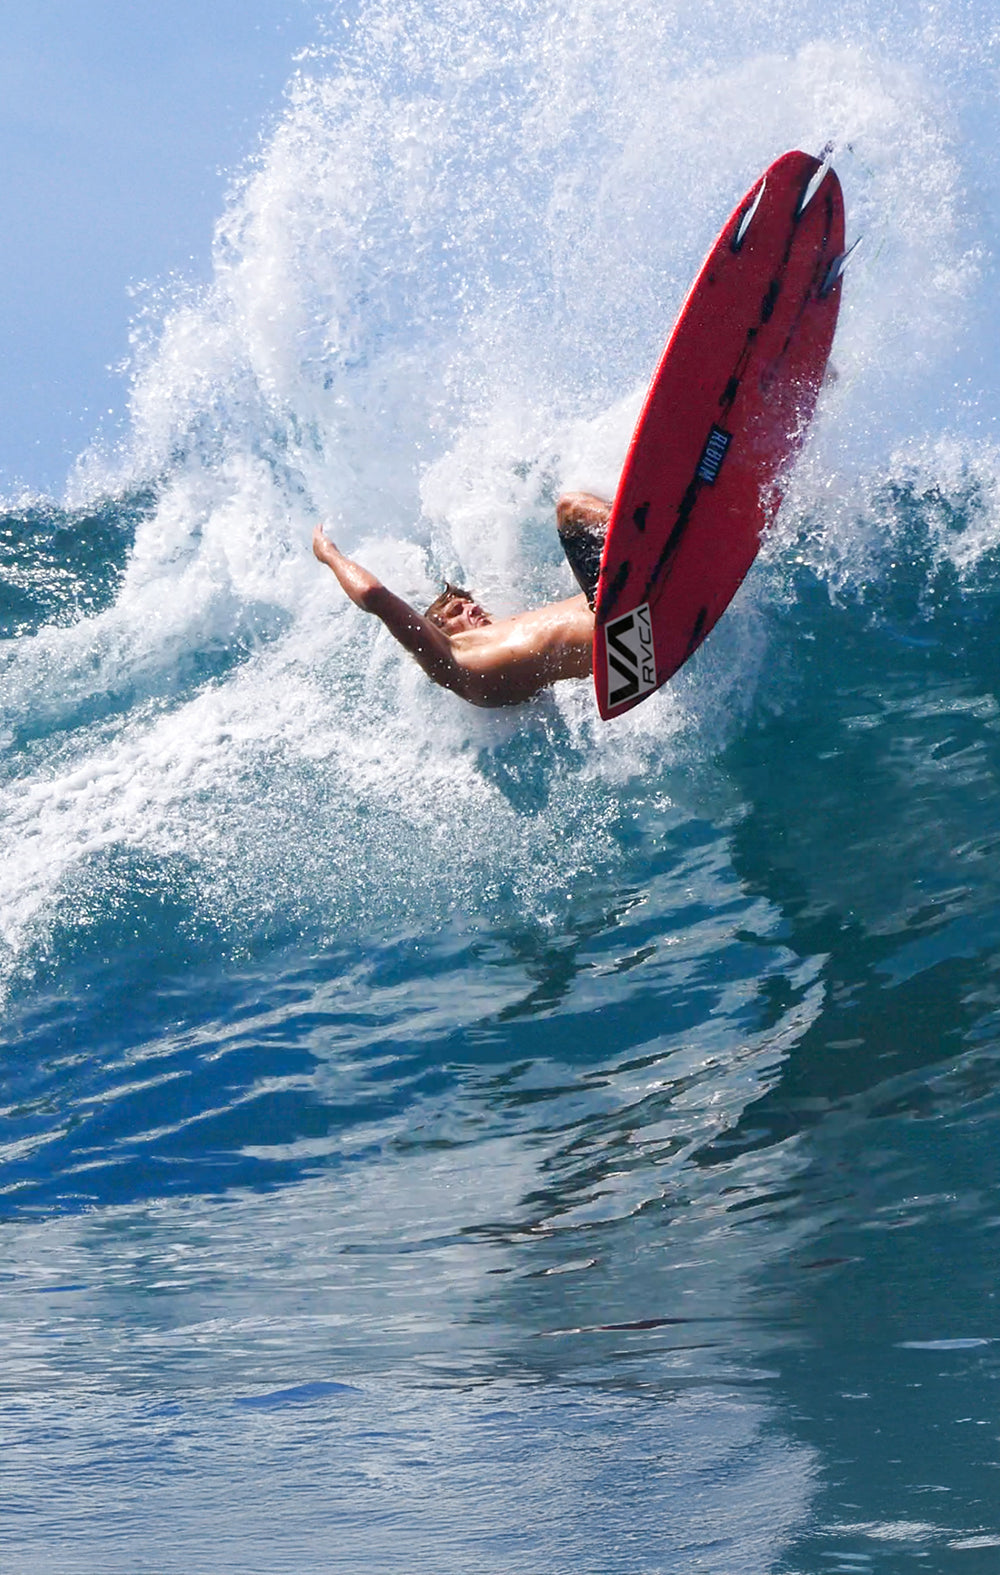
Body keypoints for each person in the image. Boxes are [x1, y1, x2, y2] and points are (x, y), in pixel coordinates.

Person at [312, 491, 612, 708]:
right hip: (617, 627)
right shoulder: (457, 662)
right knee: (571, 510)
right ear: (439, 631)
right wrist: (329, 555)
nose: (471, 606)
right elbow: (373, 595)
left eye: (467, 602)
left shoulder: (515, 630)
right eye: (457, 610)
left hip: (619, 614)